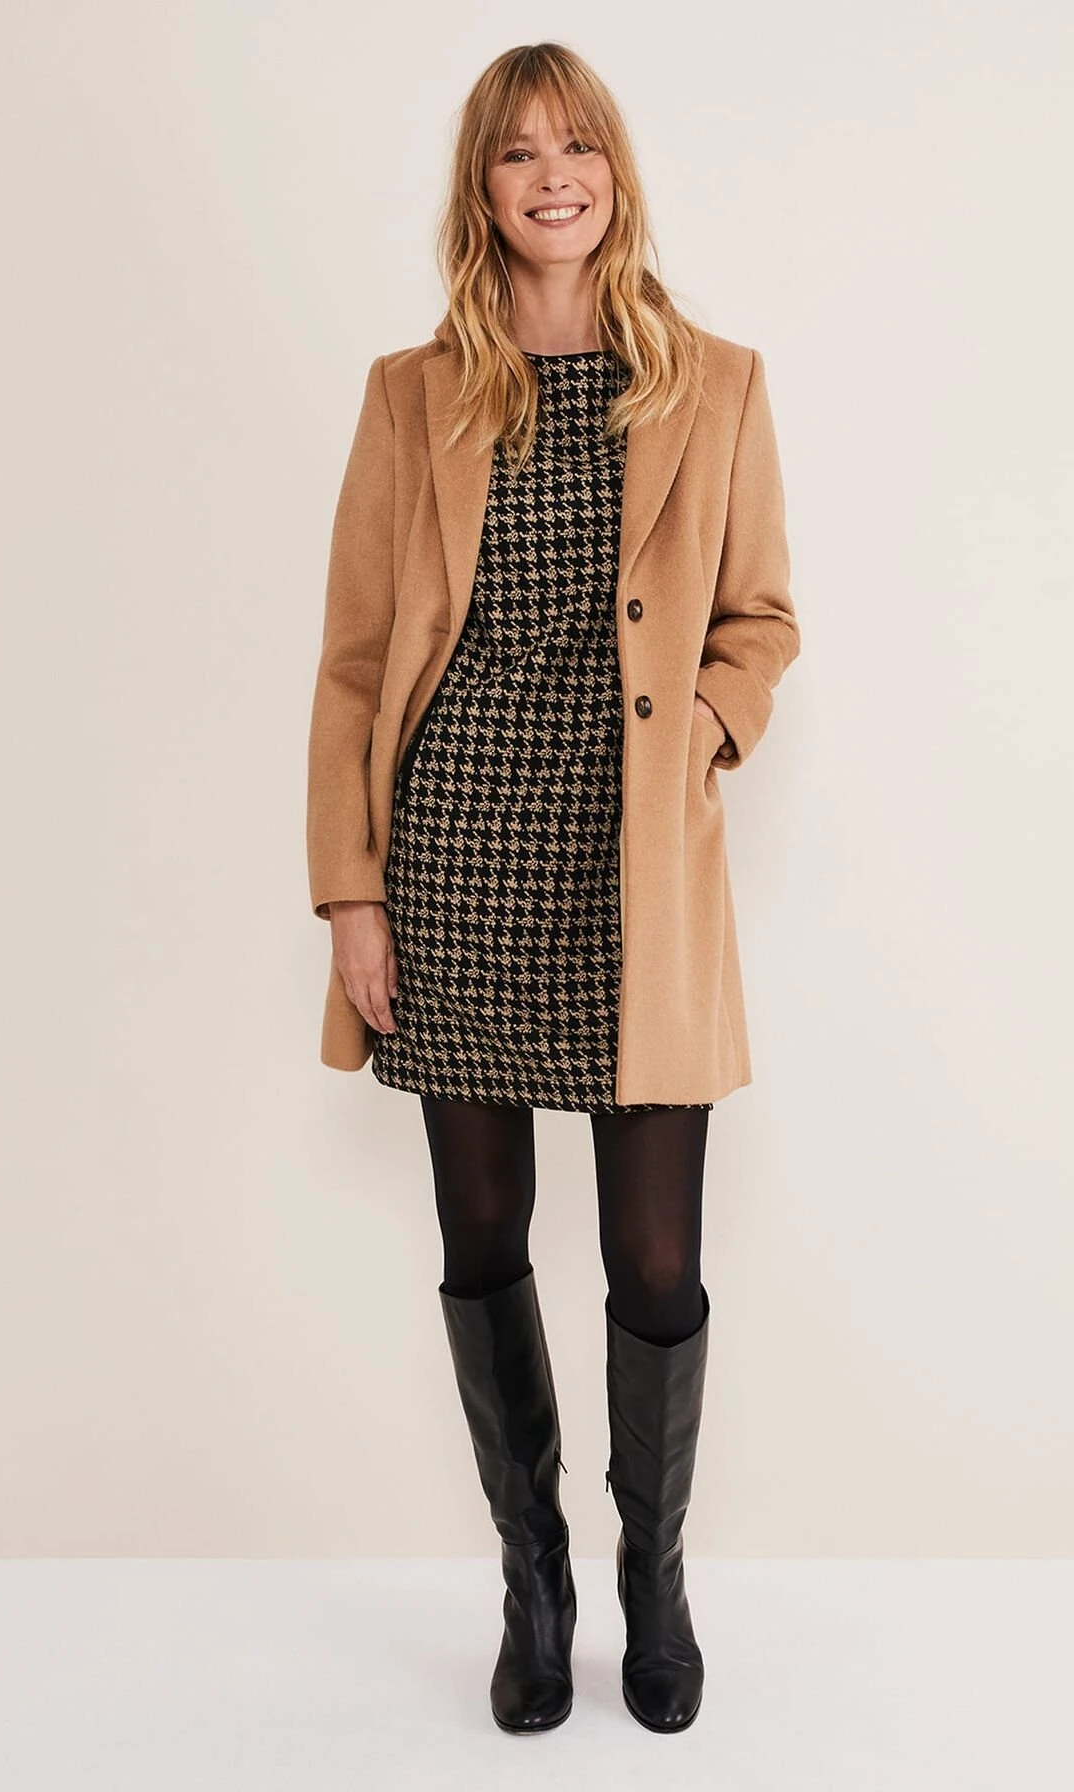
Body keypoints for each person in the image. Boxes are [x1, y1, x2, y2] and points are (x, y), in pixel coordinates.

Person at [306, 42, 800, 1736]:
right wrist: (352, 895)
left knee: (655, 1263)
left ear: (615, 173)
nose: (551, 176)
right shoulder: (411, 393)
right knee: (479, 1234)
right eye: (518, 154)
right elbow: (355, 663)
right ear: (484, 189)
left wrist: (705, 735)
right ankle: (535, 1579)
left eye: (576, 145)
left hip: (636, 876)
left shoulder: (716, 383)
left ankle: (655, 1573)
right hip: (454, 861)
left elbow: (762, 620)